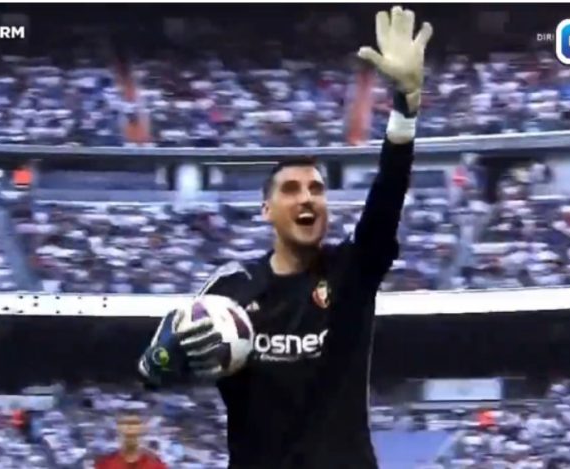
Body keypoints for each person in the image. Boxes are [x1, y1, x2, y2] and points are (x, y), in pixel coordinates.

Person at [137, 6, 432, 468]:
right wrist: (162, 358)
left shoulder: (350, 272)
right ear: (266, 210)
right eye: (291, 189)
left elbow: (386, 202)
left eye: (316, 189)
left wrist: (405, 112)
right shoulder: (230, 288)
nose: (307, 198)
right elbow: (154, 373)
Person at [95, 411, 167, 469]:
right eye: (127, 436)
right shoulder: (106, 463)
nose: (131, 440)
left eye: (135, 436)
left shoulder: (155, 464)